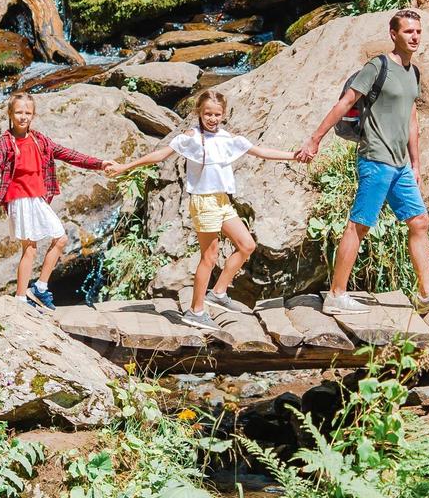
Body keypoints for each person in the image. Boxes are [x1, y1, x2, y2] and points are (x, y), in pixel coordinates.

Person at [294, 9, 429, 314]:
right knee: (360, 225)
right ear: (393, 34)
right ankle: (336, 295)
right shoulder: (377, 66)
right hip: (375, 159)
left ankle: (426, 293)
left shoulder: (414, 73)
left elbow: (411, 117)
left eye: (418, 32)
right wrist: (315, 138)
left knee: (419, 221)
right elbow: (345, 103)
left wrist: (416, 163)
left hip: (400, 166)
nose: (414, 37)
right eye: (408, 31)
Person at [107, 90, 296, 331]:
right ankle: (196, 311)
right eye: (208, 114)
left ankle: (218, 293)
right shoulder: (191, 138)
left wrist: (295, 156)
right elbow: (160, 155)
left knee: (247, 245)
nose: (213, 118)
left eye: (217, 114)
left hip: (222, 202)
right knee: (210, 256)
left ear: (223, 114)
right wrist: (126, 166)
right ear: (199, 112)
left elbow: (262, 152)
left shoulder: (229, 139)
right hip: (203, 202)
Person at [0, 92, 118, 310]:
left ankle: (39, 288)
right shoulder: (5, 144)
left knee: (60, 239)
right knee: (30, 249)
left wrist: (100, 163)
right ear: (10, 114)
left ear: (33, 115)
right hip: (19, 200)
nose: (23, 117)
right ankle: (21, 299)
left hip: (37, 199)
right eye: (18, 112)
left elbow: (69, 154)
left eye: (27, 113)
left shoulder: (40, 140)